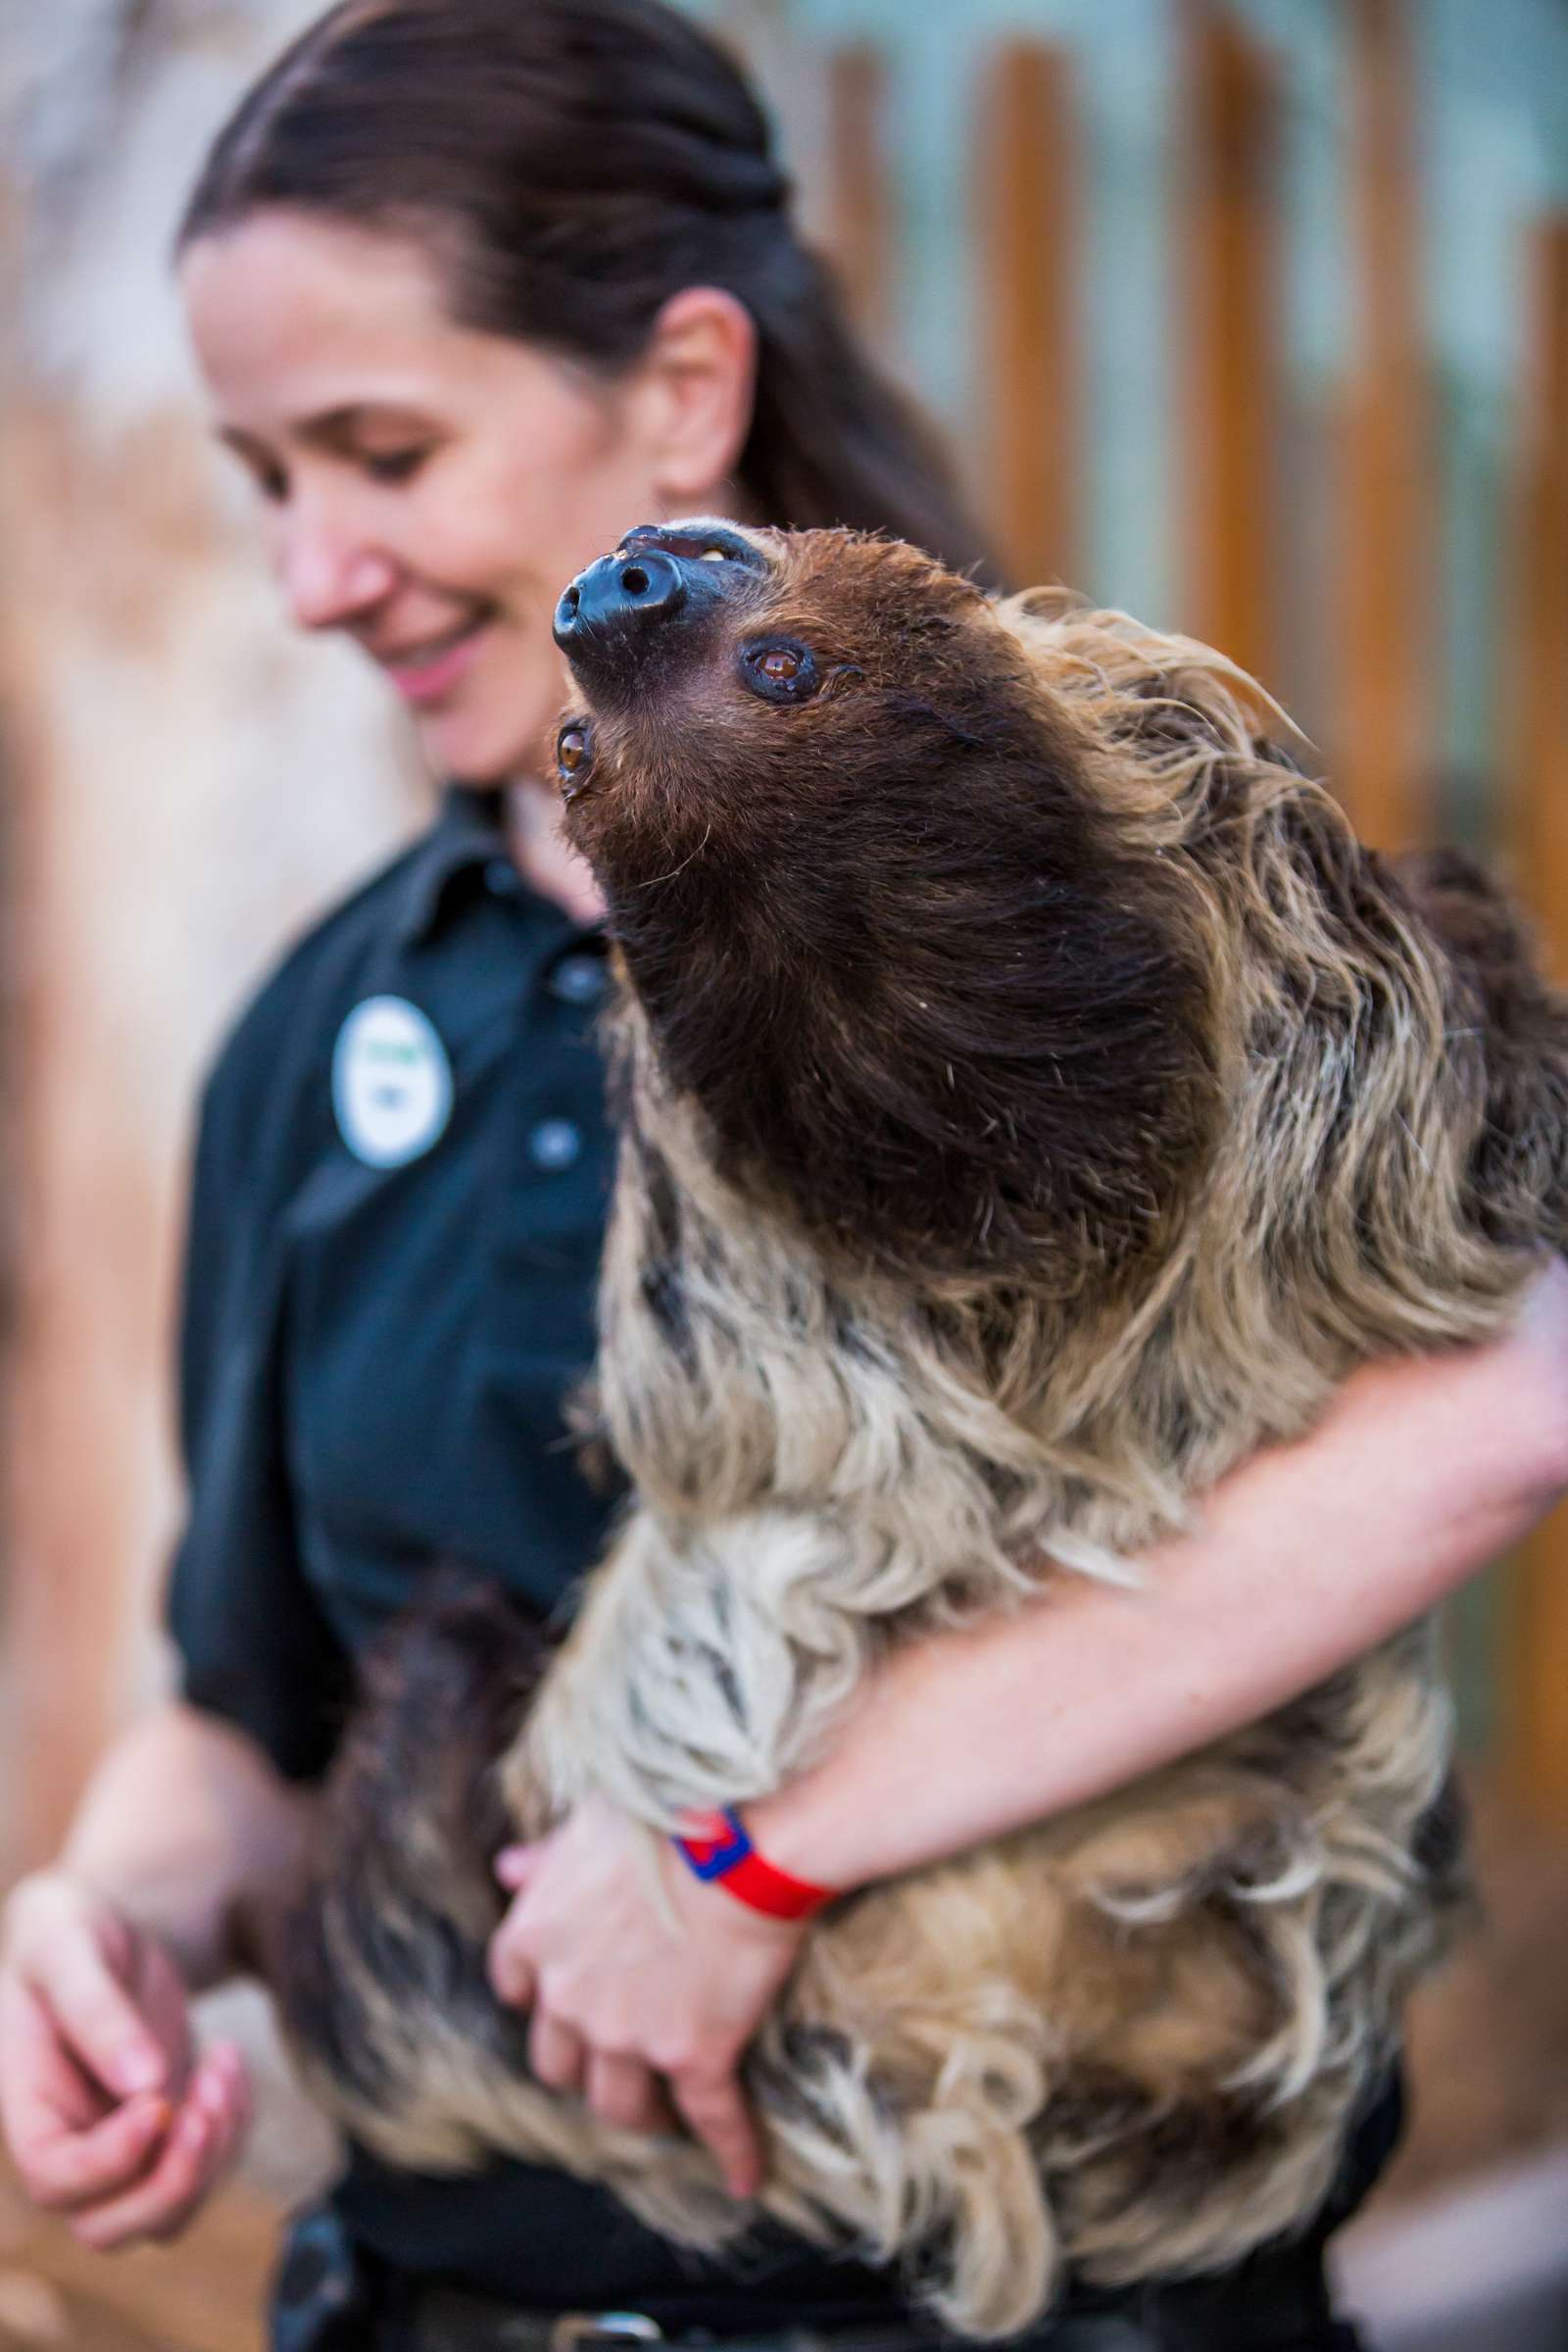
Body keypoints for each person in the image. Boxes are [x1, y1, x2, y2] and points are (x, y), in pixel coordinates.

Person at [2, 4, 1566, 2348]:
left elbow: (1508, 1389)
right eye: (263, 481)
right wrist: (101, 1918)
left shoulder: (1110, 892)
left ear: (679, 388)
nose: (317, 571)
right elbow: (248, 1710)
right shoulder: (332, 1036)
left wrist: (748, 1849)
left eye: (382, 450)